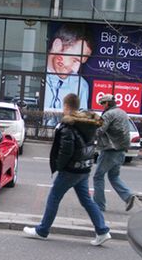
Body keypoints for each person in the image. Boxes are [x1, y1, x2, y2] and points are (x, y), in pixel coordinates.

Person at [23, 93, 111, 246]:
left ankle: (42, 231)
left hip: (70, 170)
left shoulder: (68, 126)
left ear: (66, 106)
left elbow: (66, 151)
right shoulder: (88, 123)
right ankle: (102, 231)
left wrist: (59, 166)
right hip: (84, 169)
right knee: (86, 200)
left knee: (53, 198)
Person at [44, 24, 94, 126]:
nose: (76, 69)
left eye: (81, 63)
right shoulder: (35, 78)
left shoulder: (81, 85)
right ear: (57, 46)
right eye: (75, 60)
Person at [93, 94, 136, 212]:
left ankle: (99, 205)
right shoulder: (122, 112)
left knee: (98, 177)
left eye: (102, 103)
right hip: (122, 150)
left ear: (107, 103)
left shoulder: (108, 114)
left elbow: (99, 131)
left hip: (109, 150)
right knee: (114, 176)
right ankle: (128, 196)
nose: (101, 106)